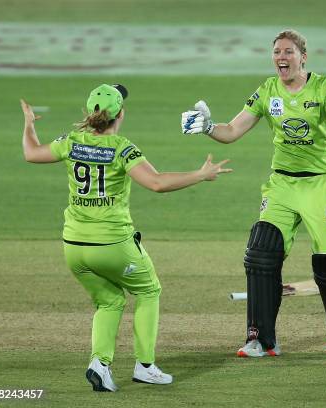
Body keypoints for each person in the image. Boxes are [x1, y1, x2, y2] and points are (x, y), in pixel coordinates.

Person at [20, 84, 231, 392]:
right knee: (149, 291)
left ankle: (100, 364)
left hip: (74, 247)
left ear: (92, 113)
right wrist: (200, 174)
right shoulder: (122, 147)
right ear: (121, 114)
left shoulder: (71, 141)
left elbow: (31, 153)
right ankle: (145, 366)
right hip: (112, 245)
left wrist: (28, 125)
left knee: (109, 301)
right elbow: (156, 183)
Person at [181, 29, 326, 357]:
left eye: (289, 52)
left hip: (320, 183)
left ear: (303, 57)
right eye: (277, 51)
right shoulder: (267, 90)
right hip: (282, 184)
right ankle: (261, 338)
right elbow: (233, 130)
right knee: (261, 253)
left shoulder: (323, 86)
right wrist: (207, 126)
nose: (282, 57)